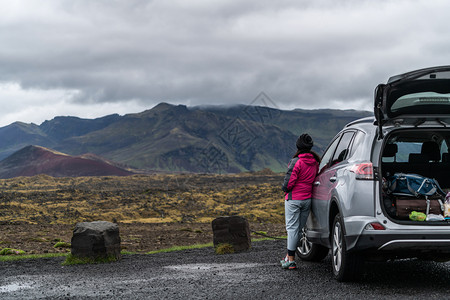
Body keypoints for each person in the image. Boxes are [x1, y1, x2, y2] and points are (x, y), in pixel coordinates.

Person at [280, 133, 320, 269]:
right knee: (298, 230)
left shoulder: (296, 161)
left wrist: (285, 189)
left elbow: (289, 182)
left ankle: (291, 260)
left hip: (293, 199)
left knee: (291, 229)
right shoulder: (315, 162)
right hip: (307, 200)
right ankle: (288, 257)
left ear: (298, 146)